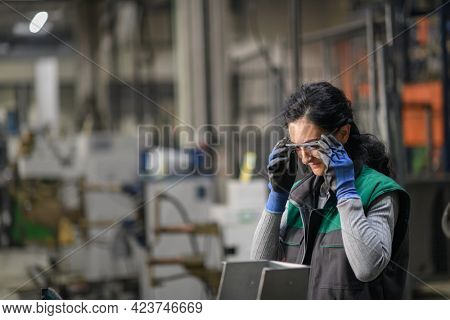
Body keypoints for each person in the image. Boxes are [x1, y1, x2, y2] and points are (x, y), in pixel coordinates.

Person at [250, 82, 410, 299]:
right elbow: (260, 266)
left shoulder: (378, 192)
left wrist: (346, 193)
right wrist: (276, 199)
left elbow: (367, 268)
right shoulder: (299, 195)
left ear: (343, 134)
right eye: (297, 147)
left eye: (312, 145)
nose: (305, 158)